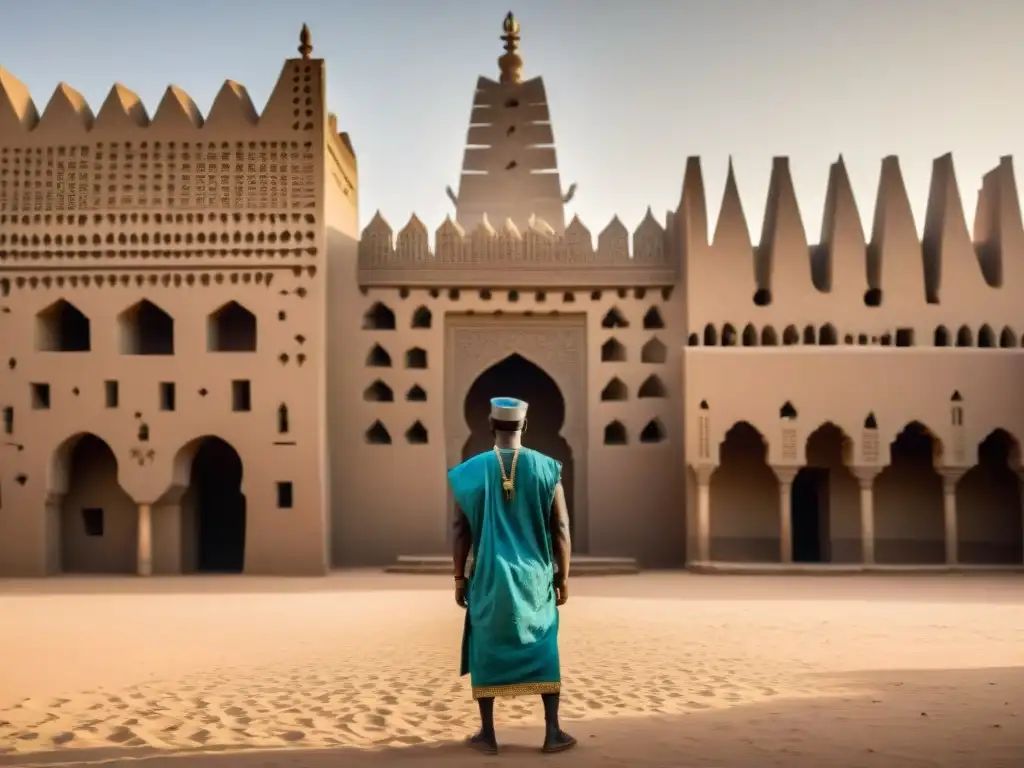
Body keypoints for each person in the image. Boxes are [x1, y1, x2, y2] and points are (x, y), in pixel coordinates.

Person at [448, 396, 576, 755]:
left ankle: (487, 735)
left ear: (490, 425)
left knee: (486, 646)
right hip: (535, 578)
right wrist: (562, 578)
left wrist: (459, 578)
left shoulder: (471, 471)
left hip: (488, 576)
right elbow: (561, 528)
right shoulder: (547, 469)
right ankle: (552, 732)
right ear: (525, 426)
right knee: (544, 646)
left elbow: (460, 529)